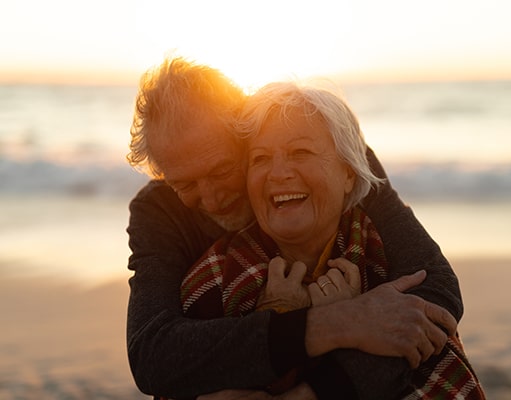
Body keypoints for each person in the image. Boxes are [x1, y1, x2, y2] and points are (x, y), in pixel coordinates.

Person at [126, 57, 463, 399]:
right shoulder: (157, 211)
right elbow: (152, 354)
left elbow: (436, 288)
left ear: (249, 136)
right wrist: (339, 321)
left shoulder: (335, 159)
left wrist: (316, 392)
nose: (211, 200)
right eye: (186, 185)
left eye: (221, 171)